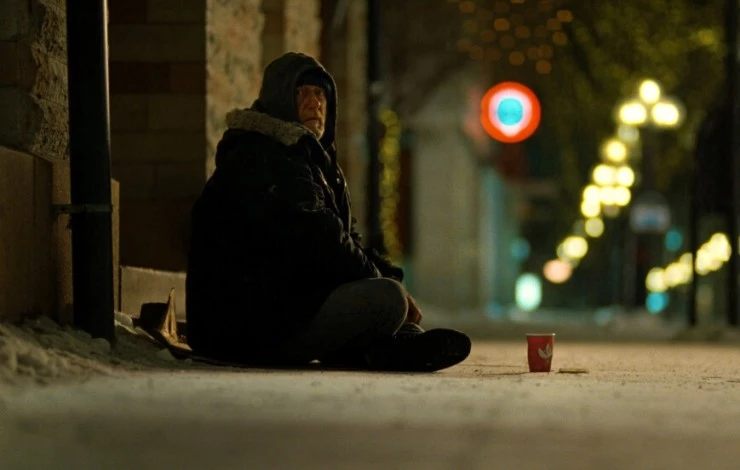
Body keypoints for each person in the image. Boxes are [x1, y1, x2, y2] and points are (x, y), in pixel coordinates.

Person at [185, 52, 471, 371]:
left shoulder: (306, 157)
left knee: (386, 293)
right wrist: (387, 286)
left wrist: (387, 274)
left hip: (280, 310)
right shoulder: (267, 155)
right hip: (243, 330)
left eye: (320, 94)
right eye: (301, 93)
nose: (314, 103)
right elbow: (321, 238)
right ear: (279, 99)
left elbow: (346, 237)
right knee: (386, 299)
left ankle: (395, 346)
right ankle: (387, 347)